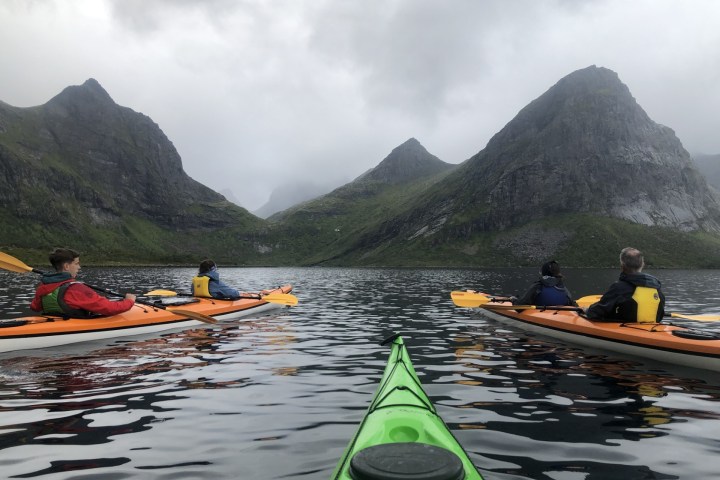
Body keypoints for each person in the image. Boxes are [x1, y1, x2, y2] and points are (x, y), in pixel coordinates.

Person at [30, 248, 136, 317]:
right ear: (67, 266)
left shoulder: (43, 287)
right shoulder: (76, 289)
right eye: (77, 264)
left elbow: (35, 307)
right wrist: (129, 301)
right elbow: (109, 308)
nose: (79, 267)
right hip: (71, 326)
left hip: (55, 322)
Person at [586, 247, 665, 323]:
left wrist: (586, 310)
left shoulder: (619, 288)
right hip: (651, 331)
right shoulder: (657, 290)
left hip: (624, 332)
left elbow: (596, 313)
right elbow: (660, 316)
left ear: (622, 266)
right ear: (642, 265)